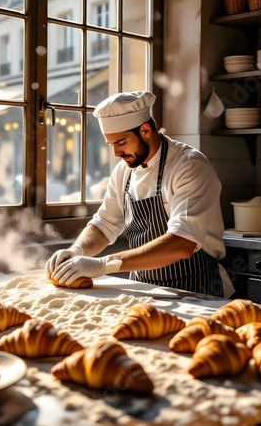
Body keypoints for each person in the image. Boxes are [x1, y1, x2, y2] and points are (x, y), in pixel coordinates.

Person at [46, 91, 234, 298]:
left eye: (121, 142)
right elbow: (104, 225)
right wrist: (77, 250)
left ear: (145, 130)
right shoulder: (124, 171)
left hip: (197, 289)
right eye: (111, 145)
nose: (116, 153)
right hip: (143, 290)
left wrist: (103, 264)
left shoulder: (190, 166)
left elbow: (182, 244)